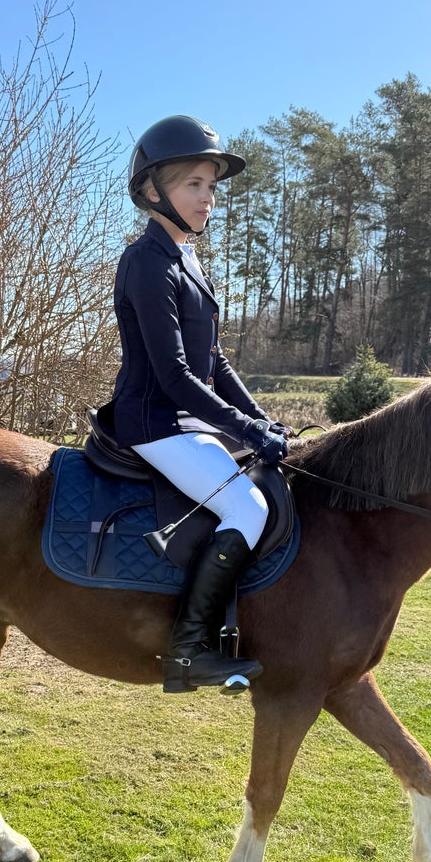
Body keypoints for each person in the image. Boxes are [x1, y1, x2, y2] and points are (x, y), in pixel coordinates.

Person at [109, 114, 289, 694]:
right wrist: (244, 428)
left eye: (211, 186)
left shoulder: (187, 259)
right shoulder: (147, 260)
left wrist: (259, 421)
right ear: (152, 191)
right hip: (155, 423)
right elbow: (175, 375)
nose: (208, 198)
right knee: (250, 510)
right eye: (195, 184)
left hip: (188, 421)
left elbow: (217, 365)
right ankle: (187, 651)